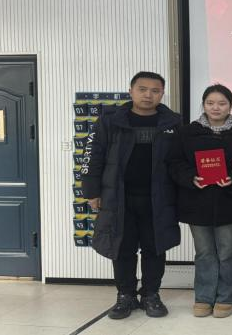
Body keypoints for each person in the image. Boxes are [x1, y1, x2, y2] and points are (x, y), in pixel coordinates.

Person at [82, 71, 181, 319]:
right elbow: (93, 157)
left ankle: (150, 295)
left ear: (162, 94)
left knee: (154, 248)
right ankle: (125, 295)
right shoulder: (110, 121)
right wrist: (92, 192)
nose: (148, 95)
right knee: (122, 248)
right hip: (119, 198)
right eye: (142, 89)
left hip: (158, 199)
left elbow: (180, 161)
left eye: (155, 91)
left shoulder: (173, 123)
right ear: (131, 91)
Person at [167, 84, 232, 318]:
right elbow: (174, 163)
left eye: (222, 103)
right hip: (196, 201)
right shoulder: (187, 132)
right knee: (204, 252)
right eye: (210, 103)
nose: (215, 108)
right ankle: (204, 297)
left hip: (229, 201)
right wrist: (191, 178)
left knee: (227, 250)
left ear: (230, 106)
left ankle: (226, 297)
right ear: (203, 105)